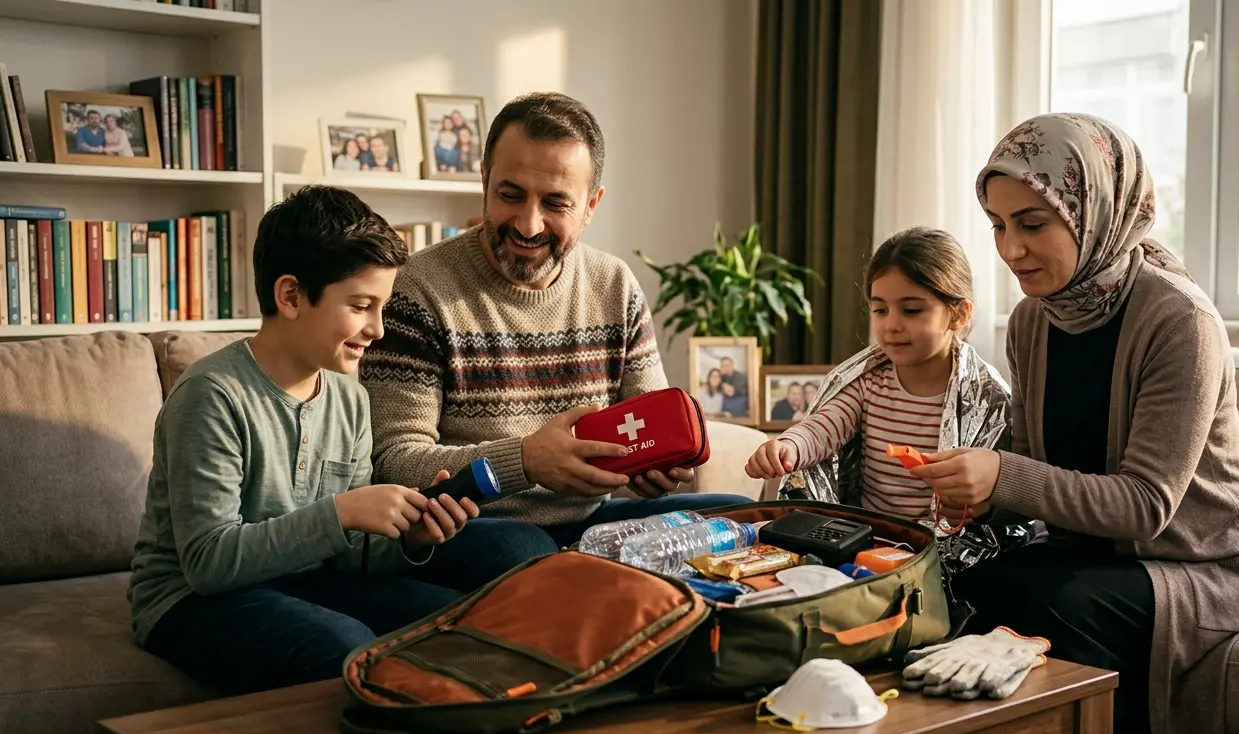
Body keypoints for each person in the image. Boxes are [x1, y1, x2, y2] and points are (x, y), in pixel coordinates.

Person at [908, 113, 1239, 734]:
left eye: (1032, 224)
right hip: (1098, 557)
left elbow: (1145, 506)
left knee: (1061, 606)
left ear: (1097, 212)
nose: (1010, 249)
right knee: (943, 582)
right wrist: (976, 497)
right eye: (998, 225)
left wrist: (1001, 475)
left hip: (1207, 567)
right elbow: (1029, 457)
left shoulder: (1180, 322)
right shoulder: (1033, 320)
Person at [128, 185, 497, 696]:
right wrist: (342, 512)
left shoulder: (350, 399)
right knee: (341, 645)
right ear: (291, 296)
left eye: (382, 307)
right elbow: (209, 563)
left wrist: (413, 538)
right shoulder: (211, 396)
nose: (377, 328)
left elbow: (347, 556)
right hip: (187, 598)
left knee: (458, 623)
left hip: (302, 579)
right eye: (361, 306)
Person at [360, 91, 751, 561]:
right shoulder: (418, 290)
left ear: (591, 205)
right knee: (525, 550)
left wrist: (655, 467)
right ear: (483, 181)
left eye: (555, 203)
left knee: (739, 516)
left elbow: (645, 424)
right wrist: (524, 462)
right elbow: (394, 463)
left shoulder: (614, 286)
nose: (528, 224)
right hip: (480, 526)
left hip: (589, 522)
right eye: (510, 195)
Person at [744, 226, 1012, 526]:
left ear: (959, 314)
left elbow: (1001, 494)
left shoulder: (986, 398)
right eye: (880, 309)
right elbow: (823, 427)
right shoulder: (870, 382)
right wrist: (788, 446)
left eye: (910, 310)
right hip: (871, 538)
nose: (891, 325)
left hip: (938, 552)